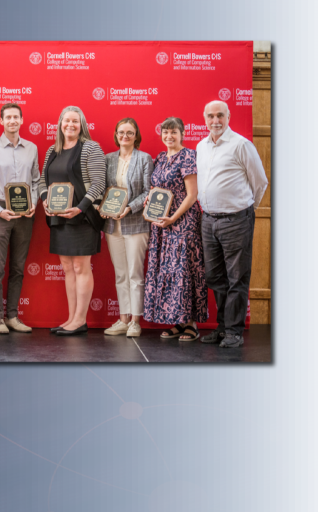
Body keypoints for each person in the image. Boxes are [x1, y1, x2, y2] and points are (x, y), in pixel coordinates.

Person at [195, 100, 268, 348]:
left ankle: (234, 332)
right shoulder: (201, 146)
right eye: (210, 116)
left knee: (237, 277)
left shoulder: (241, 145)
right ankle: (223, 327)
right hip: (209, 220)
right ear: (204, 118)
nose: (215, 121)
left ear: (228, 117)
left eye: (220, 116)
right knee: (216, 277)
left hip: (236, 220)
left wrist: (245, 209)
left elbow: (260, 182)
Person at [32, 106, 105, 336]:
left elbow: (98, 183)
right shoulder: (53, 150)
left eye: (75, 121)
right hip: (58, 218)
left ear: (82, 124)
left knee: (80, 266)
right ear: (60, 124)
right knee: (67, 267)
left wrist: (80, 208)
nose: (70, 125)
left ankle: (80, 320)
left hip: (82, 218)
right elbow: (42, 181)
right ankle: (71, 319)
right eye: (66, 121)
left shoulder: (91, 148)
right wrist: (45, 199)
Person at [143, 117, 208, 341]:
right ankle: (179, 322)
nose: (169, 136)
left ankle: (192, 324)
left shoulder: (189, 156)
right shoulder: (160, 158)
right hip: (162, 225)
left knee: (184, 272)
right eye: (165, 132)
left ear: (182, 134)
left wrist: (173, 218)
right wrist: (149, 202)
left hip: (183, 224)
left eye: (174, 132)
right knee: (169, 272)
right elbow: (157, 190)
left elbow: (192, 195)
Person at [0, 103, 37, 334]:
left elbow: (35, 180)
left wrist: (33, 203)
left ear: (22, 120)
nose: (12, 120)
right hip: (0, 212)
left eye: (16, 117)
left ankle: (12, 316)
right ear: (1, 121)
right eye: (8, 117)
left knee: (18, 268)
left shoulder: (31, 148)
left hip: (25, 214)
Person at [99, 118, 154, 337]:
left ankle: (135, 322)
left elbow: (148, 191)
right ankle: (122, 319)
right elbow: (103, 189)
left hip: (136, 223)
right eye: (121, 132)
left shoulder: (144, 158)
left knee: (135, 274)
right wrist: (102, 206)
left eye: (130, 133)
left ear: (136, 135)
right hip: (112, 224)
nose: (125, 136)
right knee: (121, 274)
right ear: (116, 134)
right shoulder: (108, 159)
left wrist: (130, 208)